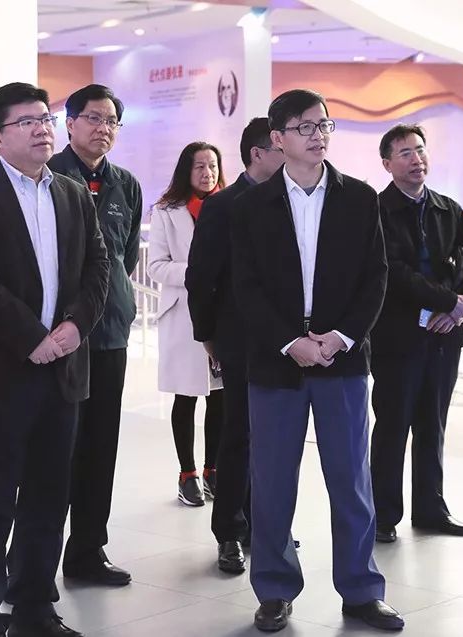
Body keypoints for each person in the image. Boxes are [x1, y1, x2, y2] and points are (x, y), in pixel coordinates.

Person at [0, 82, 109, 637]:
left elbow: (98, 267)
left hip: (62, 370)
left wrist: (74, 326)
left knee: (48, 496)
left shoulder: (72, 193)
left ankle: (35, 605)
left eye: (45, 119)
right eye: (26, 122)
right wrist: (31, 337)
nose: (42, 129)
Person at [231, 89, 403, 632]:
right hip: (276, 361)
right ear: (277, 138)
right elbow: (245, 286)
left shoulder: (360, 198)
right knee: (272, 482)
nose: (317, 135)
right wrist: (290, 341)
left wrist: (341, 337)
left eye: (324, 125)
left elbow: (376, 277)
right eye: (305, 126)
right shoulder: (251, 205)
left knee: (351, 480)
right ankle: (274, 589)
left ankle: (361, 589)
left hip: (341, 359)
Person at [369, 124, 463, 542]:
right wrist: (447, 300)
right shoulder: (377, 211)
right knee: (393, 425)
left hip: (444, 336)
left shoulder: (447, 209)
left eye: (420, 150)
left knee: (433, 423)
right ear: (387, 164)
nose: (416, 159)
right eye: (405, 153)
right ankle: (383, 514)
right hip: (396, 336)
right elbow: (392, 271)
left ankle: (431, 508)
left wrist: (457, 309)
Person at [48, 84, 143, 586]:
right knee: (54, 449)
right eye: (92, 118)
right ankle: (34, 559)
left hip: (109, 334)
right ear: (69, 123)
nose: (103, 128)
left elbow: (124, 257)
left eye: (111, 121)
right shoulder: (48, 175)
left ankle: (87, 550)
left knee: (100, 446)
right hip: (61, 334)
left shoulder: (126, 184)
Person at [185, 117, 285, 574]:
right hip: (238, 337)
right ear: (258, 153)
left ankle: (265, 525)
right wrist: (208, 336)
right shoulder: (223, 205)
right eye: (282, 146)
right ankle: (229, 530)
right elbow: (200, 276)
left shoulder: (292, 199)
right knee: (238, 434)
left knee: (275, 437)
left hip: (286, 340)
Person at [147, 141, 227, 506]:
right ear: (186, 171)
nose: (207, 173)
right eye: (200, 166)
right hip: (183, 313)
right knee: (186, 395)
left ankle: (213, 469)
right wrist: (198, 273)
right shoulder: (166, 211)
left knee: (220, 396)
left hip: (222, 314)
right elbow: (156, 266)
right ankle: (187, 473)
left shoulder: (230, 205)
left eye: (212, 166)